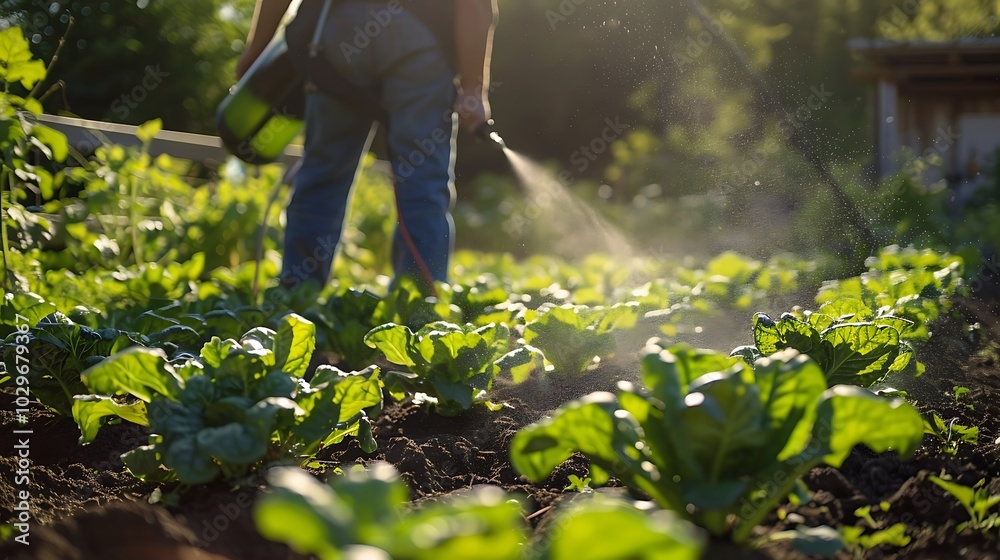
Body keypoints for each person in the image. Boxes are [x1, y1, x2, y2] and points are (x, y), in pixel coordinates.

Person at [237, 0, 498, 292]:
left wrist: (255, 52)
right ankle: (420, 310)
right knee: (421, 179)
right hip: (421, 43)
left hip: (339, 37)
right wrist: (474, 87)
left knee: (324, 171)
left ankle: (297, 297)